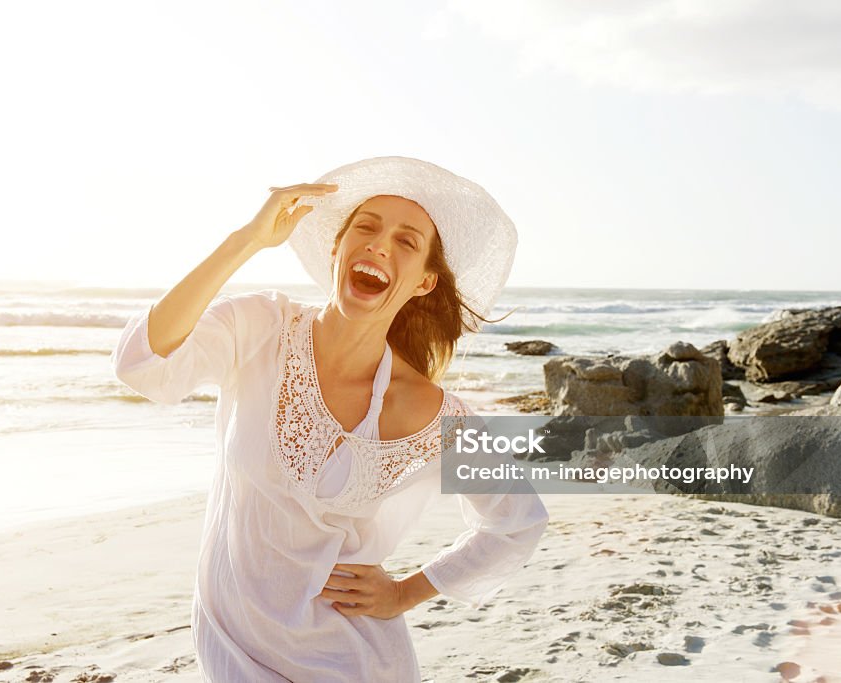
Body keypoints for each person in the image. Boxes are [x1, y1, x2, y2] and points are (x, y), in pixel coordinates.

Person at [111, 156, 549, 681]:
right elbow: (143, 361)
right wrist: (247, 239)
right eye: (365, 227)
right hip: (235, 649)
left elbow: (517, 522)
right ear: (336, 250)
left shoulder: (431, 412)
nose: (379, 245)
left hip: (355, 660)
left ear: (423, 284)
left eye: (406, 242)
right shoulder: (262, 330)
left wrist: (406, 591)